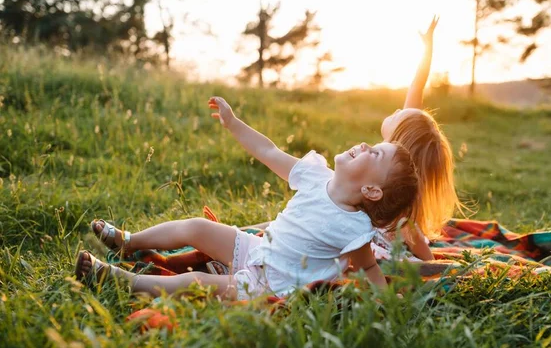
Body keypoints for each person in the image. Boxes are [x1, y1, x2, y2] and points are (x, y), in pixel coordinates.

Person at [75, 96, 419, 300]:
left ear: (372, 191)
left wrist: (386, 301)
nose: (364, 145)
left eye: (374, 154)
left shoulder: (354, 228)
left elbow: (369, 267)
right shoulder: (316, 174)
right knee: (196, 227)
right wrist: (234, 123)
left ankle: (121, 280)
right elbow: (268, 150)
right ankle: (129, 242)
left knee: (198, 283)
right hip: (258, 248)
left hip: (269, 283)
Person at [244, 16, 461, 262]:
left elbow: (418, 244)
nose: (399, 109)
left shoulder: (393, 202)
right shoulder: (388, 158)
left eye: (401, 114)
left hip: (362, 245)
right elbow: (416, 91)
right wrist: (427, 50)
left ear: (400, 136)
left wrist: (432, 264)